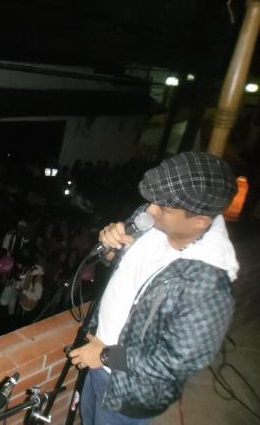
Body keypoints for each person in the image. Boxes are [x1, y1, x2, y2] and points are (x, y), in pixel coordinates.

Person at [68, 152, 238, 425]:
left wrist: (104, 355)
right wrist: (110, 247)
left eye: (164, 208)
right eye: (153, 201)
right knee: (88, 418)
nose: (149, 210)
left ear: (199, 221)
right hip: (96, 355)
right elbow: (118, 265)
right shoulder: (153, 217)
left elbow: (174, 363)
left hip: (127, 389)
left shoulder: (208, 286)